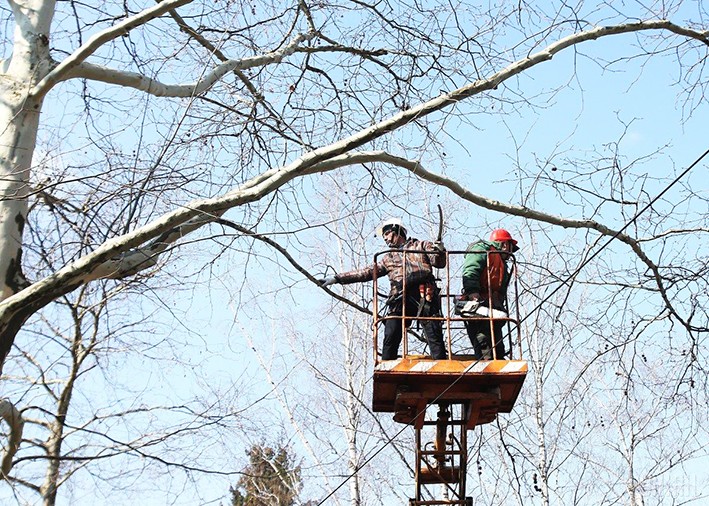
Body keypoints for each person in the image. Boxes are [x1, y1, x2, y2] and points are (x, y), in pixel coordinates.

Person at [319, 218, 447, 360]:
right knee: (391, 333)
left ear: (398, 230)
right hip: (400, 298)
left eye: (387, 233)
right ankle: (387, 365)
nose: (385, 238)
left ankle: (443, 365)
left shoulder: (421, 246)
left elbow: (439, 262)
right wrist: (337, 278)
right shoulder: (388, 258)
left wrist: (440, 250)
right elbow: (367, 272)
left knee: (433, 333)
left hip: (423, 294)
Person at [460, 229, 519, 360]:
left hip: (493, 306)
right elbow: (471, 270)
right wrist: (473, 293)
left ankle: (496, 362)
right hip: (479, 304)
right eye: (510, 248)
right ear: (504, 244)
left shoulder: (500, 261)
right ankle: (487, 369)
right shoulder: (483, 249)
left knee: (497, 347)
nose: (510, 254)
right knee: (483, 341)